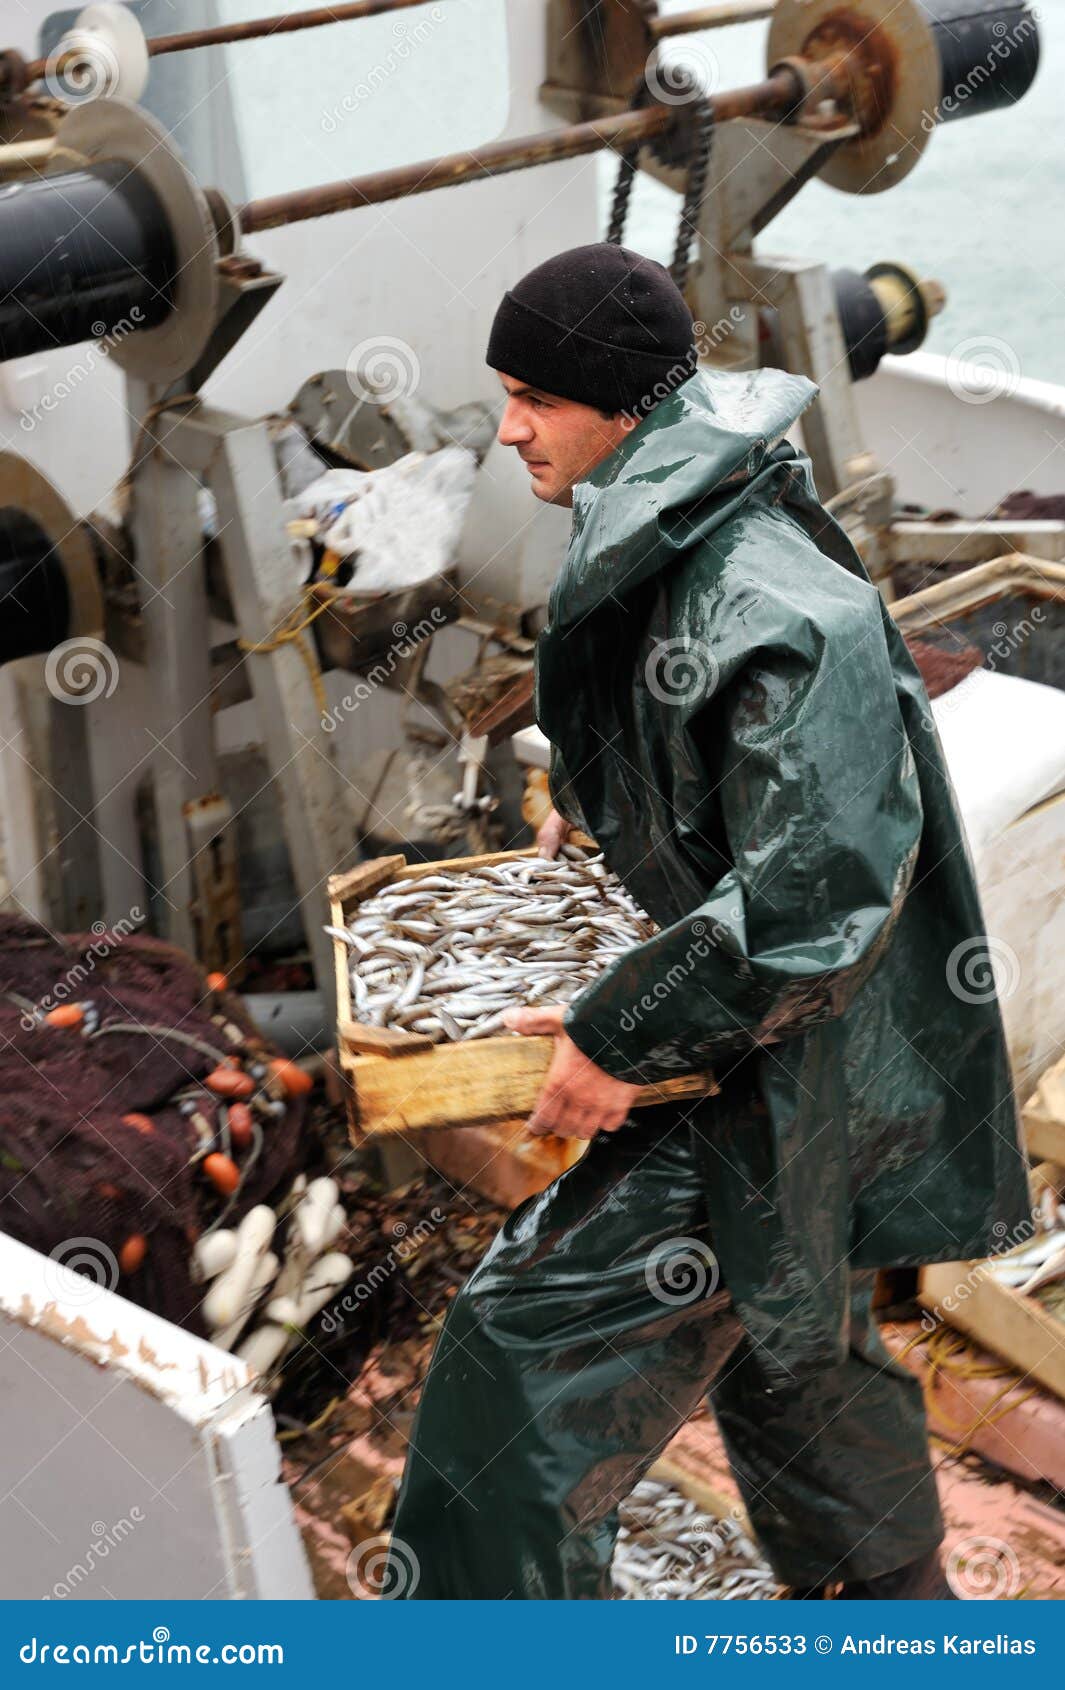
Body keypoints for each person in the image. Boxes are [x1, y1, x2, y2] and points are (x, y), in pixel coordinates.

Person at [388, 242, 1030, 1600]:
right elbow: (718, 777)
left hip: (779, 1071)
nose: (507, 430)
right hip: (783, 1041)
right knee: (793, 1340)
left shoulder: (770, 602)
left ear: (625, 406)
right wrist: (607, 811)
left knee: (511, 1373)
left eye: (535, 398)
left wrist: (617, 1033)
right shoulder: (675, 508)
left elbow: (814, 889)